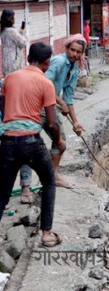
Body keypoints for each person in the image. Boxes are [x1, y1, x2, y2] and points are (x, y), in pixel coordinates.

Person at [0, 42, 64, 247]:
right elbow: (53, 123)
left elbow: (3, 109)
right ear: (46, 63)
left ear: (28, 58)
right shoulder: (45, 83)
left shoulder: (9, 79)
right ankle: (46, 233)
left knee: (3, 192)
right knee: (49, 181)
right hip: (31, 142)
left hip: (8, 141)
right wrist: (59, 140)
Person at [0, 9, 34, 204]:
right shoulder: (12, 33)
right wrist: (23, 31)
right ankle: (25, 188)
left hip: (7, 74)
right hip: (15, 72)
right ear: (11, 18)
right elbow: (24, 44)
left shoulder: (3, 33)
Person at [44, 34, 87, 189]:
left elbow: (69, 98)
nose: (75, 54)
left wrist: (75, 122)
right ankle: (51, 176)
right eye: (72, 50)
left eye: (78, 52)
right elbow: (44, 84)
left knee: (59, 141)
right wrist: (60, 102)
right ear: (67, 48)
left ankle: (52, 174)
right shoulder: (60, 61)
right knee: (58, 141)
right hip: (40, 105)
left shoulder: (74, 68)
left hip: (50, 105)